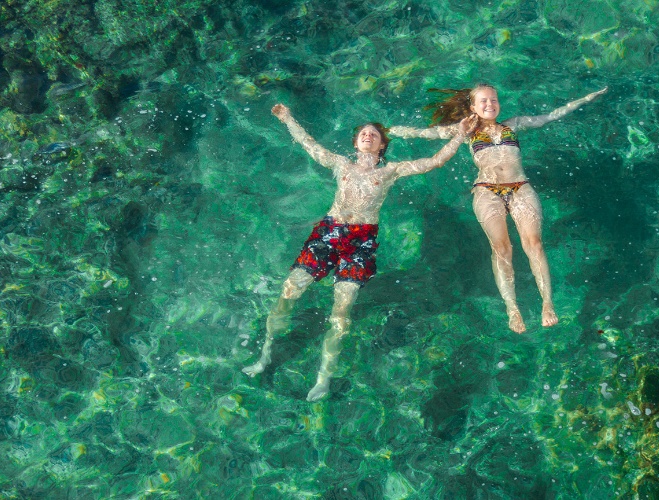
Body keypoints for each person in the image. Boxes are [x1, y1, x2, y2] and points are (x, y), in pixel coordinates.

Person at [243, 103, 475, 402]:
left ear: (382, 145)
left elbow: (433, 161)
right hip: (328, 233)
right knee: (289, 292)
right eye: (363, 133)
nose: (368, 135)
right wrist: (288, 117)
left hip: (361, 242)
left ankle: (323, 378)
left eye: (374, 134)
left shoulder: (391, 170)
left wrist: (459, 136)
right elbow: (308, 143)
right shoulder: (340, 164)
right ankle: (265, 355)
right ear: (355, 143)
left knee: (341, 313)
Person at [389, 84, 607, 333]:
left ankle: (547, 303)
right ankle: (512, 308)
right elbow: (426, 134)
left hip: (521, 188)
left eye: (493, 99)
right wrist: (393, 131)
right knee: (501, 247)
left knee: (534, 243)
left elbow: (552, 115)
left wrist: (587, 97)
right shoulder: (466, 131)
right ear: (472, 107)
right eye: (483, 101)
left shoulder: (513, 124)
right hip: (486, 191)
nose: (490, 104)